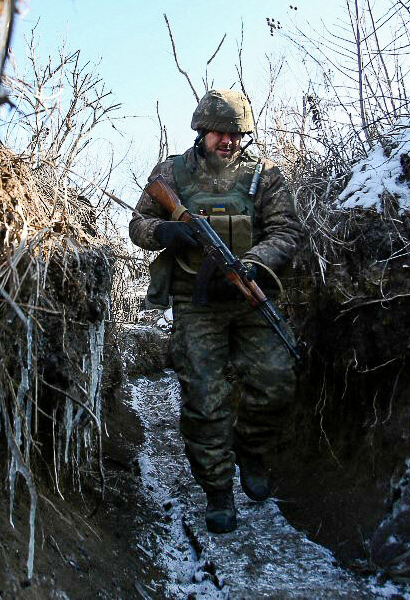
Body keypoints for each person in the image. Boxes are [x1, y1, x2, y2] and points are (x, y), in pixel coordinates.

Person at [129, 89, 301, 534]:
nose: (228, 141)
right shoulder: (172, 172)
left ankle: (253, 453)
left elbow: (286, 230)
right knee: (205, 399)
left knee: (275, 381)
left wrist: (254, 263)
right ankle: (218, 489)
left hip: (249, 295)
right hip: (195, 303)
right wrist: (167, 229)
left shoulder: (264, 176)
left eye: (237, 134)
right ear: (202, 130)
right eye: (220, 133)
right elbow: (138, 225)